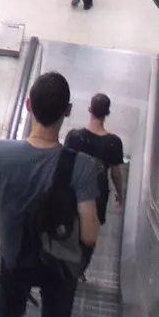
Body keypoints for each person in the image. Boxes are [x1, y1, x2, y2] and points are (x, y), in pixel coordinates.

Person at [0, 72, 103, 317]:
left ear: (28, 105)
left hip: (16, 258)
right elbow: (89, 232)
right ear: (68, 110)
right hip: (60, 264)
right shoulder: (82, 166)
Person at [64, 93, 127, 275]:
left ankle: (62, 266)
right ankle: (78, 269)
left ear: (89, 109)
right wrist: (120, 194)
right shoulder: (114, 143)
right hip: (97, 196)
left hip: (72, 192)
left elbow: (64, 165)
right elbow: (115, 173)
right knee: (89, 234)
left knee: (69, 226)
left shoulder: (74, 137)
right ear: (107, 113)